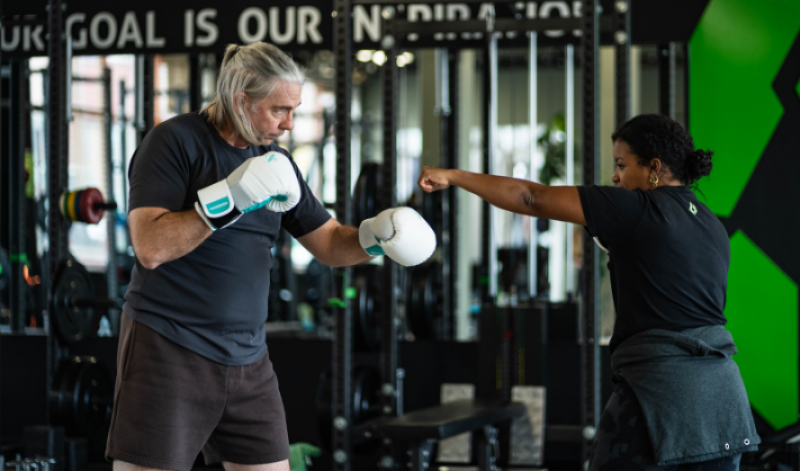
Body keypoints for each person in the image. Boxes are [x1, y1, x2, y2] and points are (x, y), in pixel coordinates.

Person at [106, 42, 436, 471]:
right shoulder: (173, 141)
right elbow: (149, 246)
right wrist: (232, 197)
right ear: (242, 99)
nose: (288, 124)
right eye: (279, 109)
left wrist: (377, 236)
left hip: (249, 358)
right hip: (170, 348)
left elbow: (331, 243)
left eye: (294, 110)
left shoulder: (276, 162)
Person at [417, 113, 759, 471]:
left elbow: (532, 197)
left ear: (653, 168)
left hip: (661, 395)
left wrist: (454, 176)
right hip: (723, 402)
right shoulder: (711, 224)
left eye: (622, 165)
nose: (615, 176)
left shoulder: (637, 208)